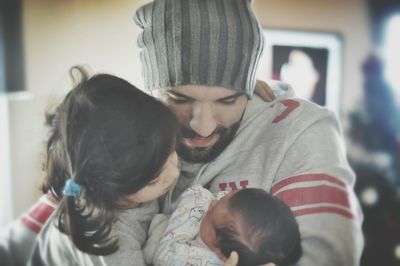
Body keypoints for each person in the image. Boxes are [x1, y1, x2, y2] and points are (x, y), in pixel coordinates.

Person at [133, 0, 364, 265]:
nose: (203, 126)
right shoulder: (131, 135)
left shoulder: (301, 130)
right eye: (179, 98)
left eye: (228, 100)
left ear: (248, 88)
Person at [27, 66, 181, 265]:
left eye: (172, 151)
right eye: (154, 180)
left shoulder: (144, 161)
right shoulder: (107, 242)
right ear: (114, 191)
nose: (175, 173)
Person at [150, 185, 302, 266]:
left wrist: (193, 204)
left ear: (220, 253)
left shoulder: (199, 260)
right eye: (224, 197)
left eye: (211, 212)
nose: (213, 203)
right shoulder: (230, 216)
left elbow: (163, 254)